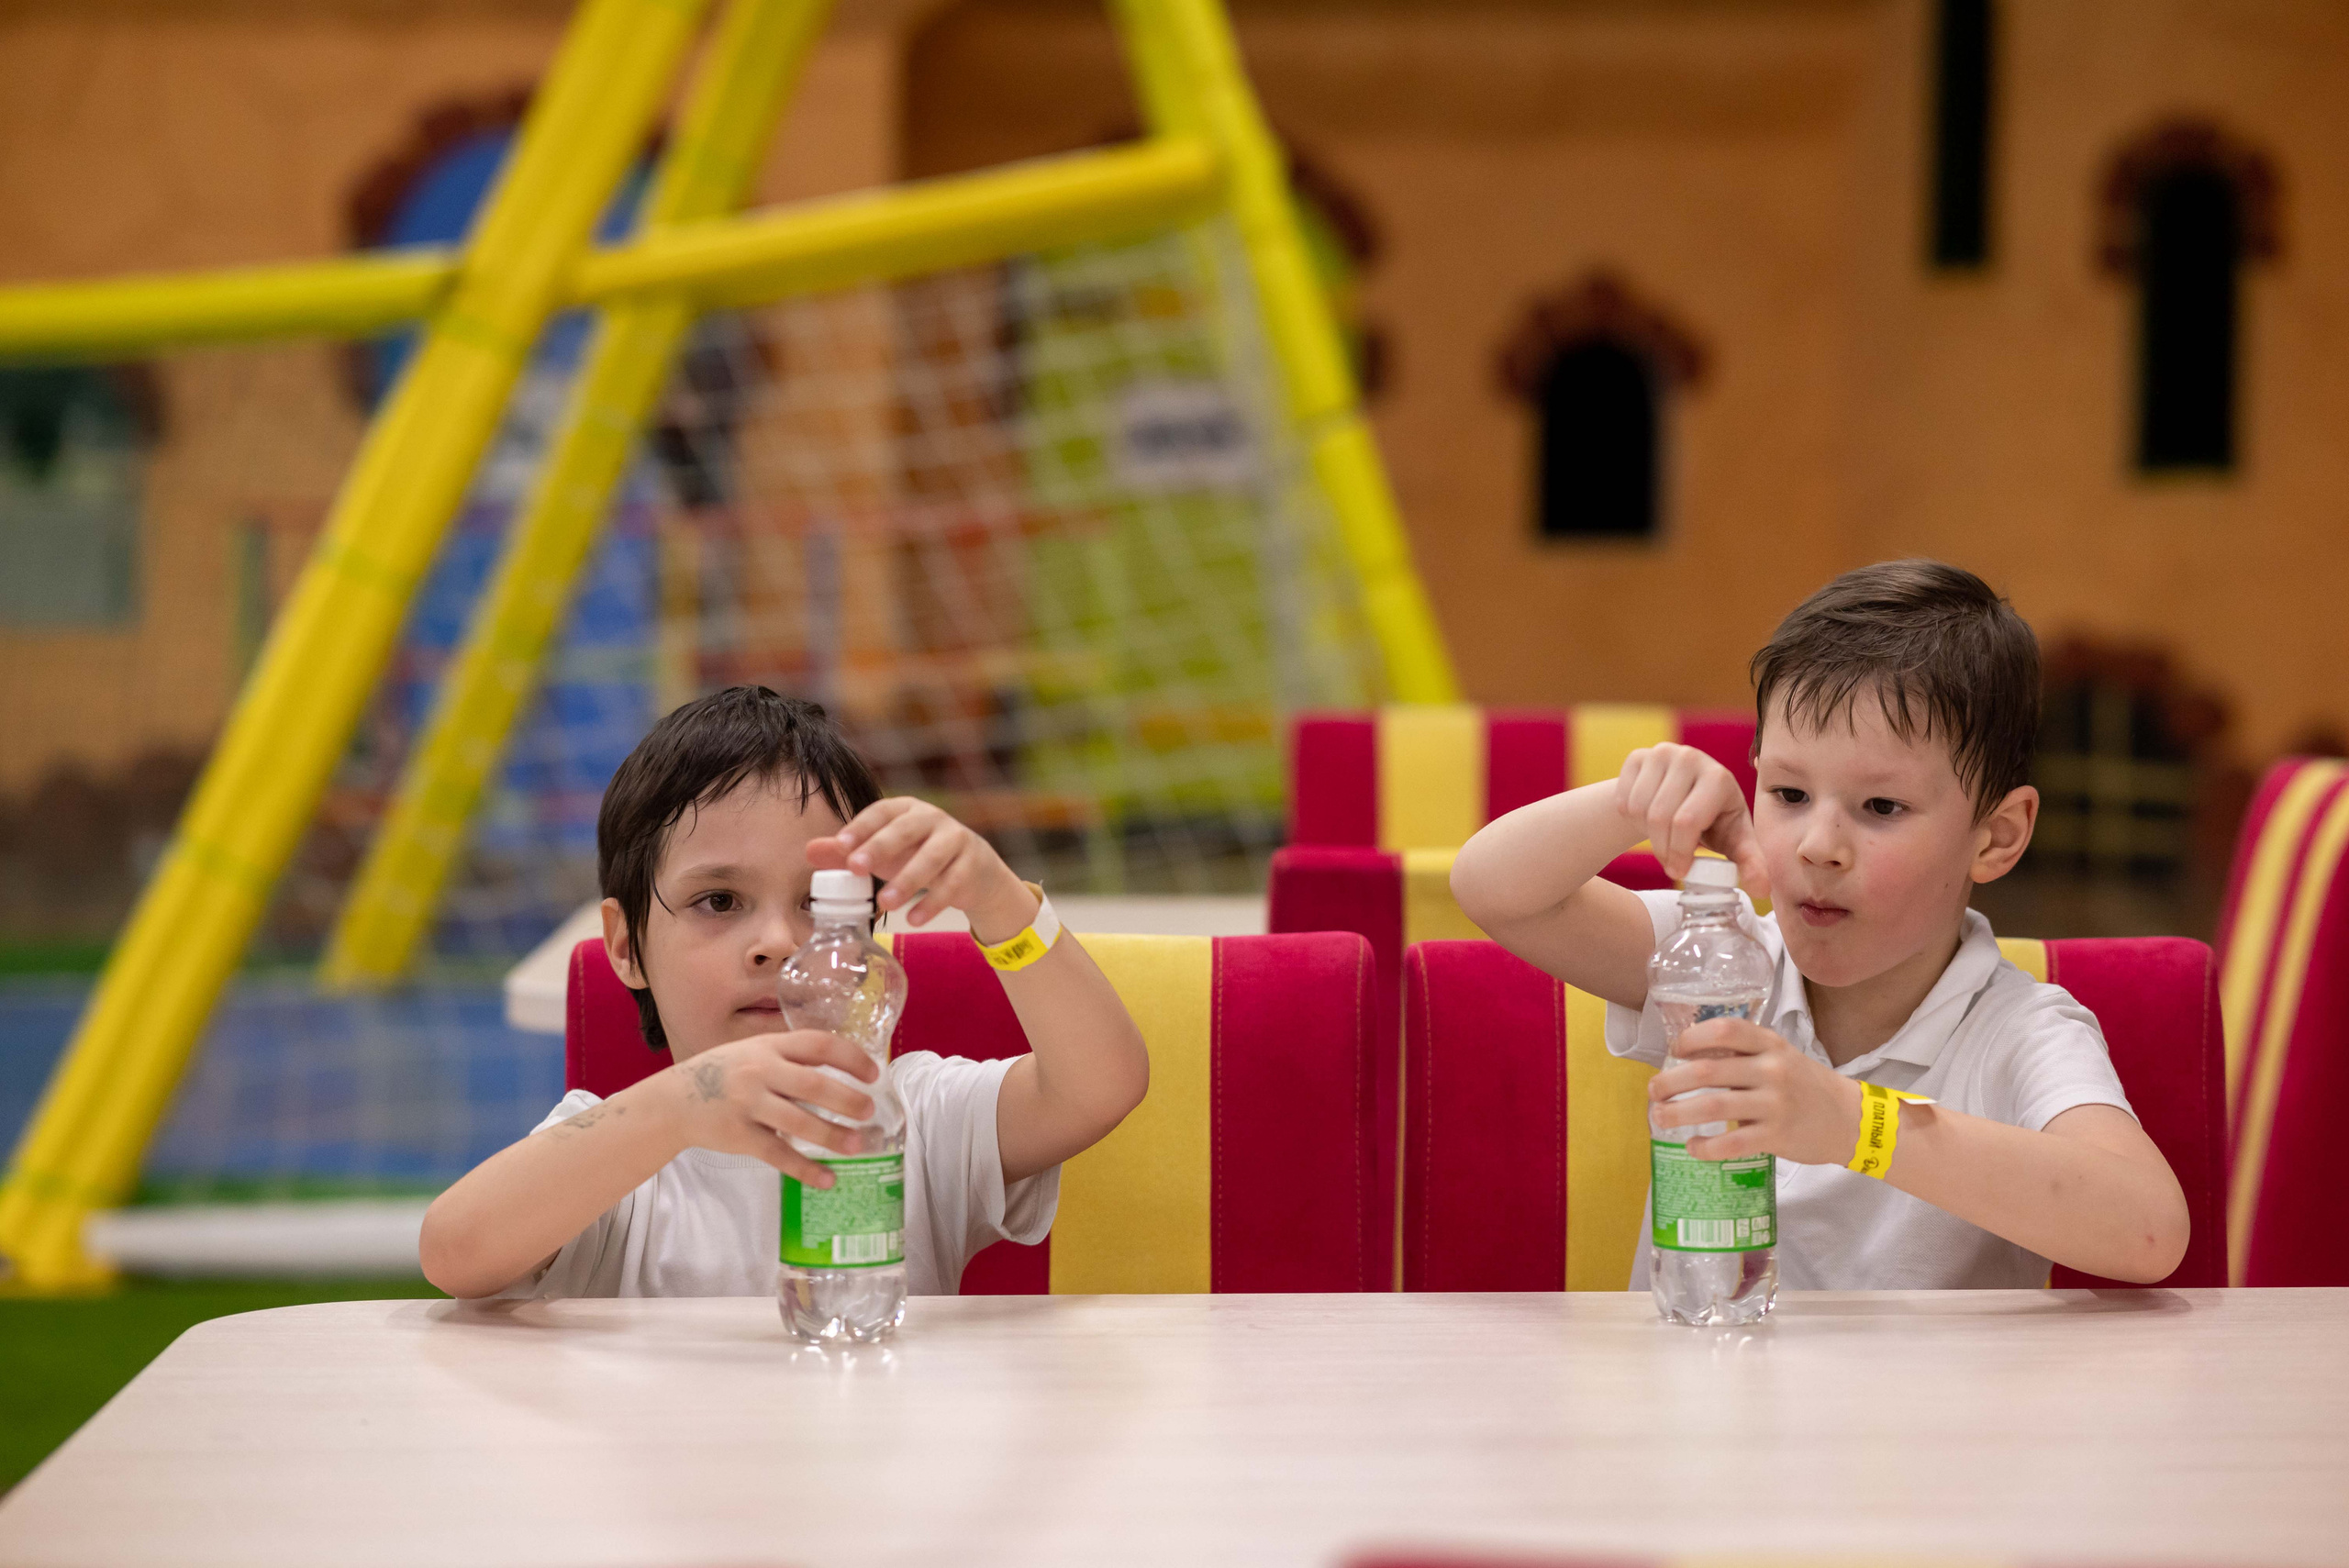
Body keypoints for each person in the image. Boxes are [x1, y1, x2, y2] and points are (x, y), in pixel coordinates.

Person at [1451, 561, 2189, 1288]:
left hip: (1925, 1409)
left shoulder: (2019, 1029)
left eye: (1880, 808)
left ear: (1995, 835)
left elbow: (2150, 1231)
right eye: (1790, 791)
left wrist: (1852, 1124)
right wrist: (1629, 803)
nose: (1817, 845)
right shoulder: (1720, 961)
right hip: (1700, 1397)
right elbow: (1495, 890)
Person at [418, 685, 1150, 1299]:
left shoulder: (909, 1118)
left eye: (818, 904)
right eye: (720, 902)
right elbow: (455, 1251)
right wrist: (684, 1102)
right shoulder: (615, 1151)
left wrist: (996, 899)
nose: (778, 941)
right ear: (625, 944)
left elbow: (1101, 1085)